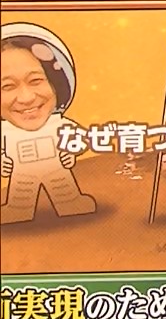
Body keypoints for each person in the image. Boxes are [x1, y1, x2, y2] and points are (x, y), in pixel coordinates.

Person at [0, 22, 97, 225]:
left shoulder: (58, 125)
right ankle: (18, 210)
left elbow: (81, 139)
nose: (26, 98)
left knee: (63, 190)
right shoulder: (5, 131)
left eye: (36, 81)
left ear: (57, 82)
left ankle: (71, 203)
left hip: (56, 169)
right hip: (21, 173)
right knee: (21, 194)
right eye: (7, 86)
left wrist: (71, 151)